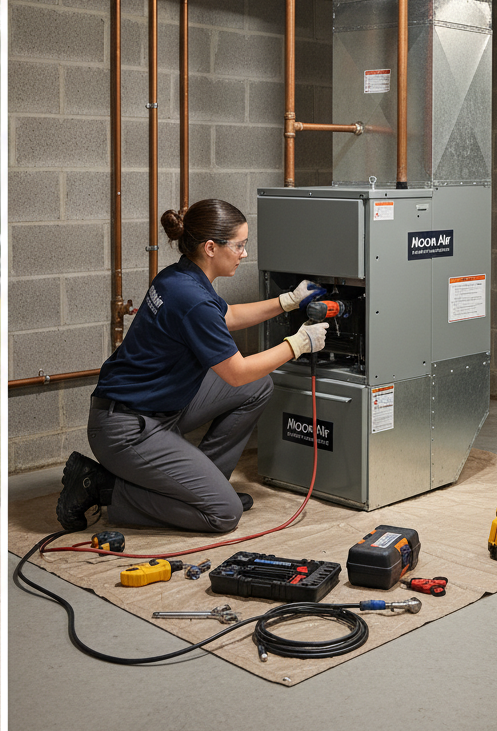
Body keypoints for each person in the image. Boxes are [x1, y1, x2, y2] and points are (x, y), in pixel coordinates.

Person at [56, 198, 328, 535]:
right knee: (224, 514)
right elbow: (237, 373)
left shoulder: (181, 276)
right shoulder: (191, 299)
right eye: (239, 245)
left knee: (257, 387)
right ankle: (101, 487)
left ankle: (202, 488)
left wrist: (287, 301)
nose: (244, 253)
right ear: (211, 247)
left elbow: (227, 316)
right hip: (126, 430)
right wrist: (298, 345)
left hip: (154, 408)